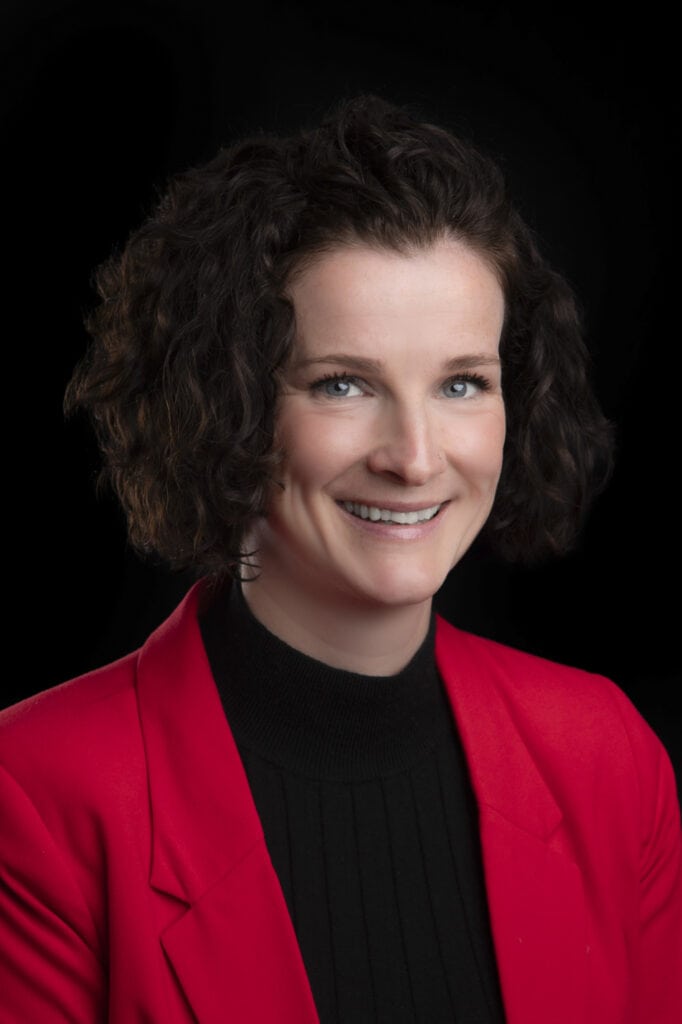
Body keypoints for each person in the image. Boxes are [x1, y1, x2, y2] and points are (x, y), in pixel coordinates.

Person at [1, 95, 680, 1024]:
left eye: (461, 383)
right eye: (343, 383)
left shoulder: (609, 757)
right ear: (229, 401)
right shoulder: (34, 795)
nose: (414, 456)